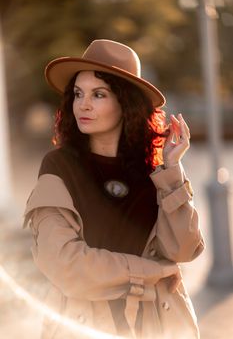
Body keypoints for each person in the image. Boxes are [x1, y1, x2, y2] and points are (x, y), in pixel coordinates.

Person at [24, 39, 204, 339]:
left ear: (125, 102)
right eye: (78, 94)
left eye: (99, 94)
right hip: (83, 327)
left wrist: (172, 169)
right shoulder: (59, 166)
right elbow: (66, 266)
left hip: (158, 325)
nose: (83, 105)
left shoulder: (155, 172)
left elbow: (182, 250)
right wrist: (151, 272)